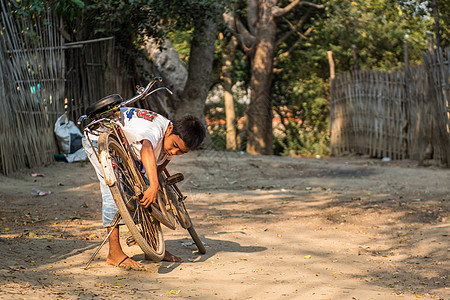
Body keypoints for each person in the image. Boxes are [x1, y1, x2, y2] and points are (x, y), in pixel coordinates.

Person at [82, 107, 205, 269]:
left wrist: (152, 184)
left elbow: (164, 158)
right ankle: (114, 253)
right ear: (169, 129)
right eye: (174, 145)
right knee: (114, 189)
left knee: (146, 191)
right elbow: (147, 149)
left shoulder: (171, 140)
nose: (174, 151)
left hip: (126, 144)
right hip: (99, 138)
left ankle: (152, 247)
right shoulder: (154, 128)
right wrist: (153, 185)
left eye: (181, 152)